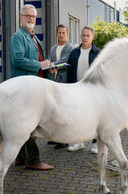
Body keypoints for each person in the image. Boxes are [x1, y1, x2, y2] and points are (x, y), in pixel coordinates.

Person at [9, 4, 53, 170]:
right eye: (28, 16)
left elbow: (39, 61)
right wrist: (40, 64)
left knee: (23, 123)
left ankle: (20, 158)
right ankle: (33, 160)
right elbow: (17, 60)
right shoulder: (18, 37)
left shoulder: (34, 37)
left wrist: (48, 66)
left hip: (34, 85)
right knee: (29, 124)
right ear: (21, 18)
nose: (31, 19)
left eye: (33, 17)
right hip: (23, 87)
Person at [66, 25, 100, 153]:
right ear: (81, 36)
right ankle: (78, 142)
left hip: (92, 90)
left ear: (92, 37)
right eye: (83, 35)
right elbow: (69, 71)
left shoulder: (98, 53)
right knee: (77, 117)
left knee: (93, 117)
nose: (85, 38)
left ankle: (96, 143)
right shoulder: (74, 52)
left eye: (88, 36)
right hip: (76, 89)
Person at [46, 24, 74, 149]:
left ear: (67, 34)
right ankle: (55, 137)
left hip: (63, 82)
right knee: (54, 110)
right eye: (59, 33)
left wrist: (52, 65)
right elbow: (49, 60)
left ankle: (64, 140)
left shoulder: (70, 47)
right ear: (56, 34)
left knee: (63, 111)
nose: (61, 35)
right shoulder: (53, 48)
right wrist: (50, 67)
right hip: (53, 81)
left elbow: (64, 60)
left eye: (63, 33)